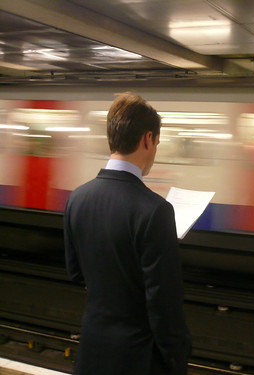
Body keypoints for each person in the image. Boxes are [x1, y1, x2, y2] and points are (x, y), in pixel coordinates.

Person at [64, 92, 191, 375]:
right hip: (137, 358)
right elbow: (163, 303)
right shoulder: (155, 210)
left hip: (92, 349)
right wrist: (176, 359)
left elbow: (75, 272)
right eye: (157, 143)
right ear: (148, 139)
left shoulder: (78, 197)